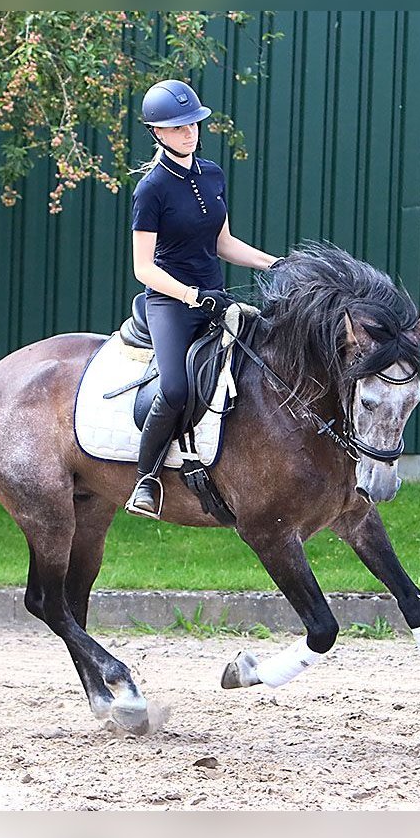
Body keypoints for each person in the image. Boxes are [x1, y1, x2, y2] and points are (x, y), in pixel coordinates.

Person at [126, 79, 281, 518]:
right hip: (171, 303)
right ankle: (147, 477)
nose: (189, 132)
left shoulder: (212, 174)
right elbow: (144, 268)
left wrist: (273, 263)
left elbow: (223, 243)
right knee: (175, 388)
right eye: (177, 128)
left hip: (214, 296)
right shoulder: (150, 189)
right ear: (157, 132)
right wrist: (191, 295)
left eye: (192, 123)